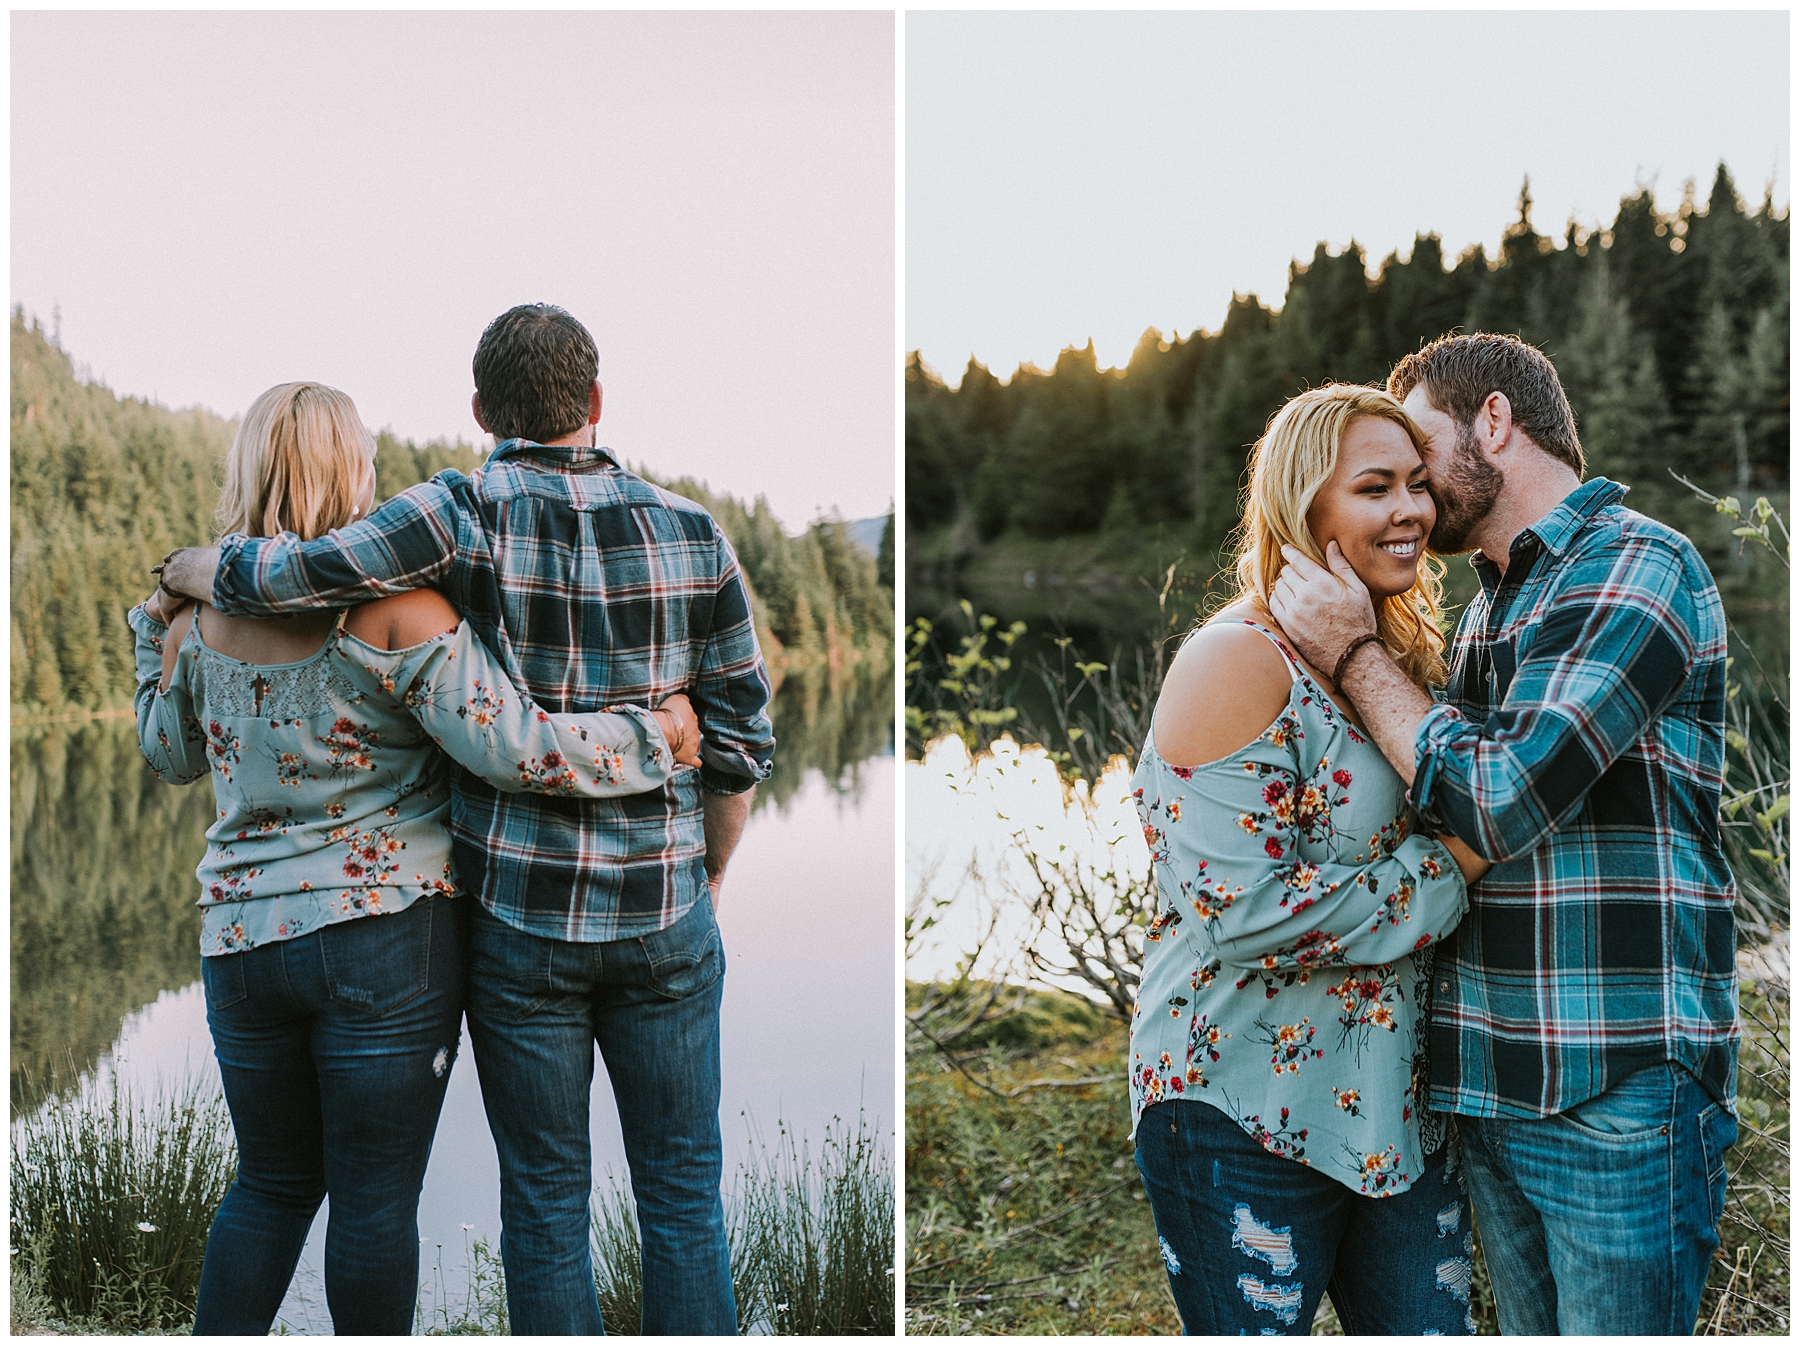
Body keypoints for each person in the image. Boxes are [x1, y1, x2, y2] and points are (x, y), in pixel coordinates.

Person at [156, 305, 775, 1335]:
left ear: (481, 408)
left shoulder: (450, 514)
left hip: (484, 924)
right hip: (621, 907)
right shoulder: (691, 531)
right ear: (597, 401)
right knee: (678, 1193)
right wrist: (699, 850)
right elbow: (732, 738)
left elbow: (288, 597)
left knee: (532, 1202)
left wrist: (193, 578)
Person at [1269, 332, 1739, 1336]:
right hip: (1496, 1089)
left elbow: (1497, 802)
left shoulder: (1636, 564)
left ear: (1493, 421)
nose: (1411, 488)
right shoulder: (1493, 604)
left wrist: (1351, 650)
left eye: (1419, 445)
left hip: (1615, 1093)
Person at [1131, 383, 1490, 1335]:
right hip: (1241, 1108)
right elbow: (1242, 913)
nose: (1412, 509)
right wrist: (1454, 860)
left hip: (1393, 1114)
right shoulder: (1236, 661)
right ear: (1305, 506)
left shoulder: (1383, 650)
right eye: (1376, 487)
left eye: (1417, 483)